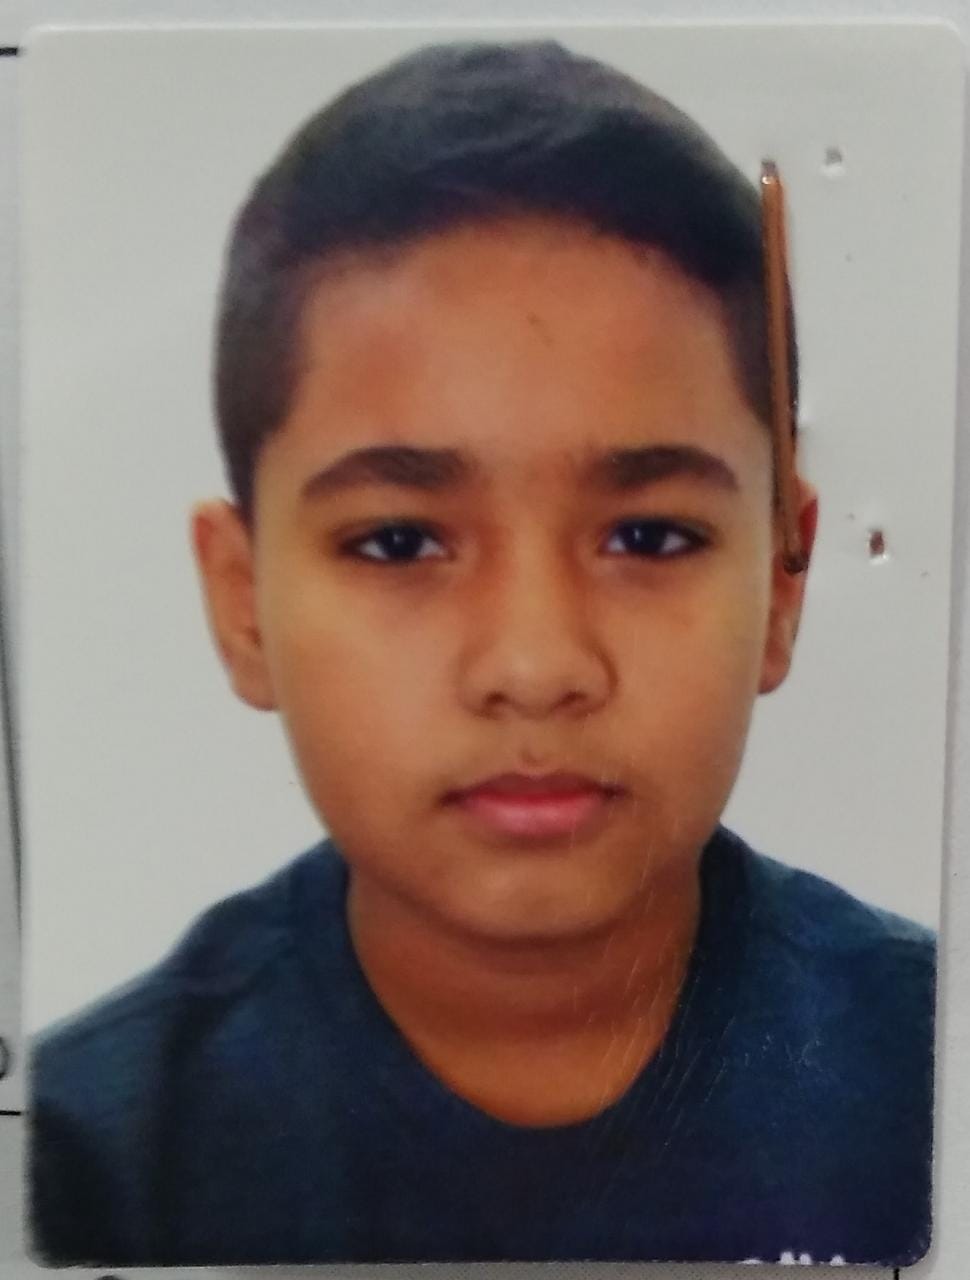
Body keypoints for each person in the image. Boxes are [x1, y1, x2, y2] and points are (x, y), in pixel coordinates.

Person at [29, 39, 935, 1267]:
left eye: (648, 535)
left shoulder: (932, 1078)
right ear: (243, 603)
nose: (535, 662)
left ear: (782, 578)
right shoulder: (82, 1166)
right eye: (400, 541)